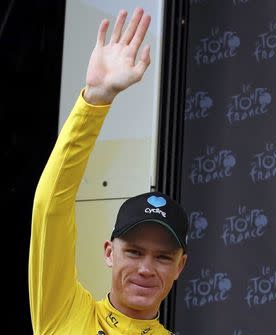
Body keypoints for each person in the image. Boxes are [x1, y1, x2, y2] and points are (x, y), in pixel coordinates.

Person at [28, 7, 188, 335]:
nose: (145, 268)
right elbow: (50, 207)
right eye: (133, 251)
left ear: (180, 266)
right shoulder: (65, 313)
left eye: (162, 257)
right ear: (108, 252)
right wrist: (95, 101)